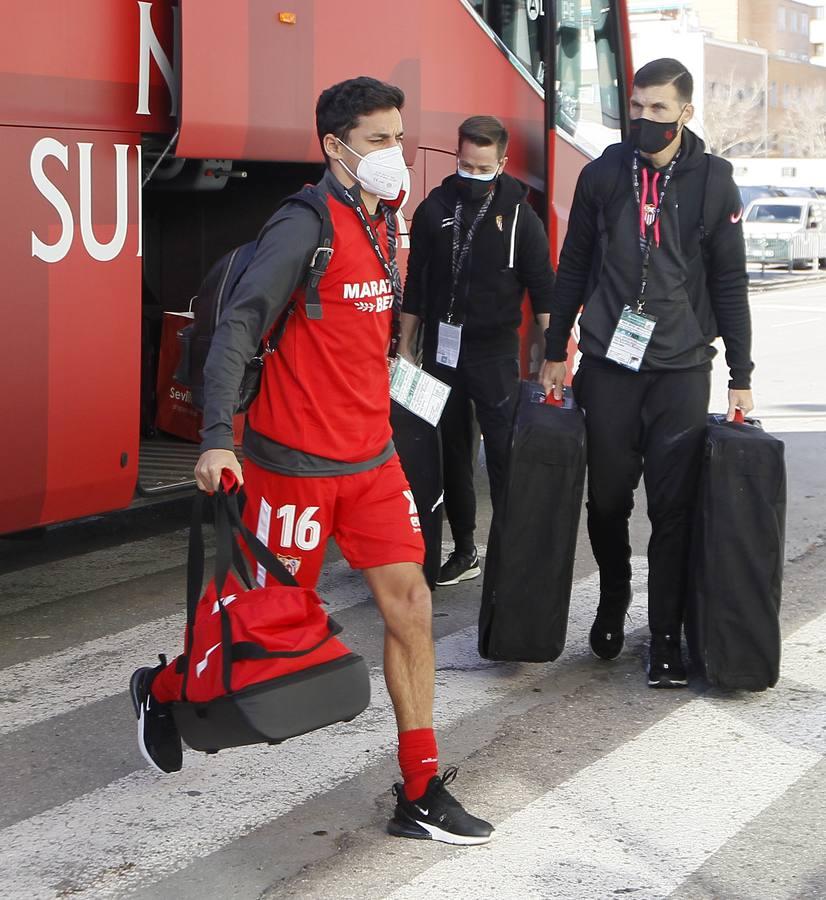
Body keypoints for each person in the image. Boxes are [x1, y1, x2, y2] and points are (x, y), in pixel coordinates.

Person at [129, 77, 493, 845]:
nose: (396, 154)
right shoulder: (304, 226)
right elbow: (236, 330)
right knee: (256, 631)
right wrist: (217, 437)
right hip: (290, 468)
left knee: (413, 608)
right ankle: (163, 690)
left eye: (399, 136)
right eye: (379, 141)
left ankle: (421, 789)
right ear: (335, 147)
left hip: (371, 462)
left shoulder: (386, 221)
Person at [538, 58, 754, 688]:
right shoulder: (603, 174)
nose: (644, 119)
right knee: (605, 500)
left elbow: (730, 282)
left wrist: (740, 371)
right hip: (607, 365)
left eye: (659, 109)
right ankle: (613, 595)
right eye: (636, 107)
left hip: (682, 370)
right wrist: (557, 349)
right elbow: (573, 265)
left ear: (685, 113)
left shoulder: (715, 181)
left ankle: (664, 636)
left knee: (674, 508)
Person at [401, 116, 555, 586]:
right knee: (451, 453)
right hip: (443, 354)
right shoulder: (434, 208)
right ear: (457, 157)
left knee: (506, 454)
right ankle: (465, 550)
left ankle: (513, 554)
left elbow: (544, 290)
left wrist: (554, 355)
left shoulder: (520, 217)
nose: (472, 175)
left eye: (483, 169)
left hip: (494, 353)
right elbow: (416, 284)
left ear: (502, 164)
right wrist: (407, 346)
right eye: (466, 166)